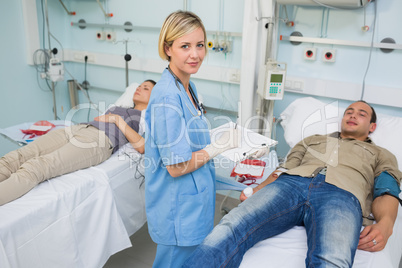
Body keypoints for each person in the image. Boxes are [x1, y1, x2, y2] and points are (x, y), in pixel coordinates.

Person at [183, 100, 402, 267]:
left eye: (361, 114)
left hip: (342, 195)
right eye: (349, 112)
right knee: (231, 227)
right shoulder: (312, 139)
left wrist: (386, 223)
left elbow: (387, 190)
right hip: (290, 185)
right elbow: (283, 169)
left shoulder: (381, 154)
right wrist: (257, 190)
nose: (352, 116)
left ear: (372, 126)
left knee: (331, 258)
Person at [144, 10, 241, 268]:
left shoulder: (187, 86)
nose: (195, 54)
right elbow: (176, 167)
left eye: (200, 45)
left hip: (193, 202)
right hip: (178, 208)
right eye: (184, 46)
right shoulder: (167, 96)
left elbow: (189, 136)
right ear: (168, 48)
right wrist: (218, 146)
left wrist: (224, 141)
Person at [0, 79, 156, 205]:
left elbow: (141, 146)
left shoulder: (146, 117)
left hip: (99, 140)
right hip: (78, 129)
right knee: (16, 157)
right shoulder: (119, 106)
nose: (139, 88)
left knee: (38, 166)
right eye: (140, 85)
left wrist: (116, 120)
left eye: (146, 88)